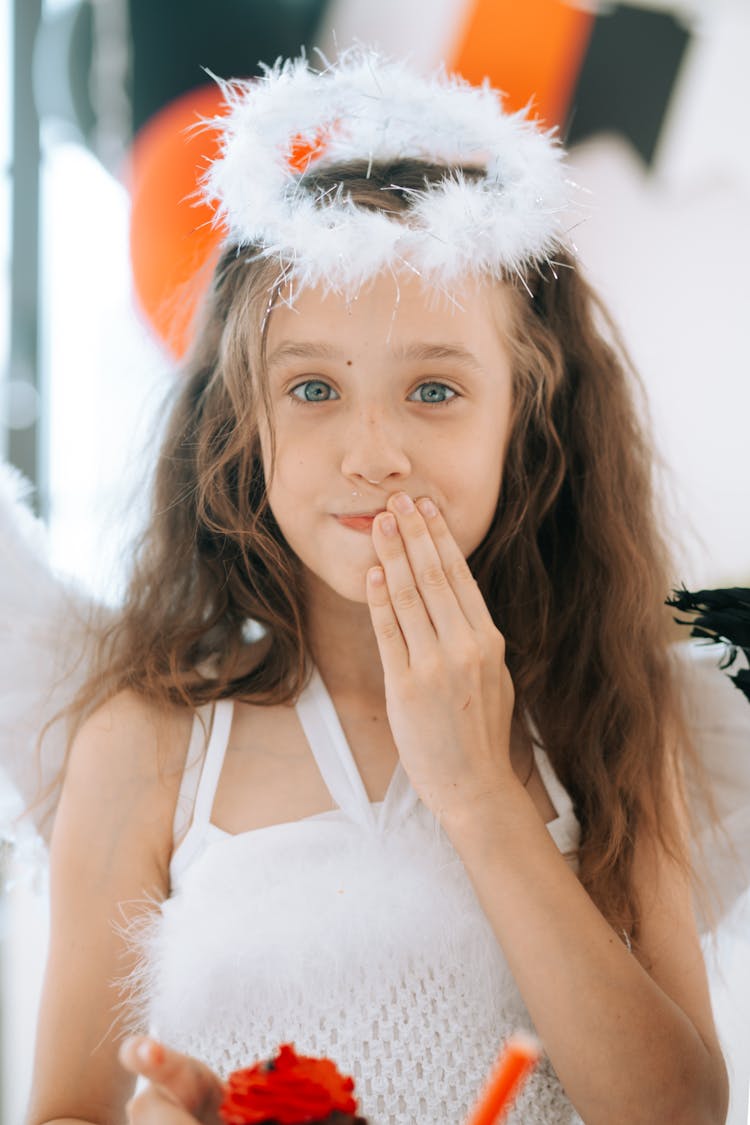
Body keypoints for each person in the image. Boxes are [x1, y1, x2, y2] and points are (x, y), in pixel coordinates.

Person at [24, 51, 730, 1125]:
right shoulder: (148, 741)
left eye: (435, 390)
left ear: (524, 425)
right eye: (313, 387)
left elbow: (679, 1111)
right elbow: (66, 1108)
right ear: (244, 426)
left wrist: (482, 794)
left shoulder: (611, 714)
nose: (373, 451)